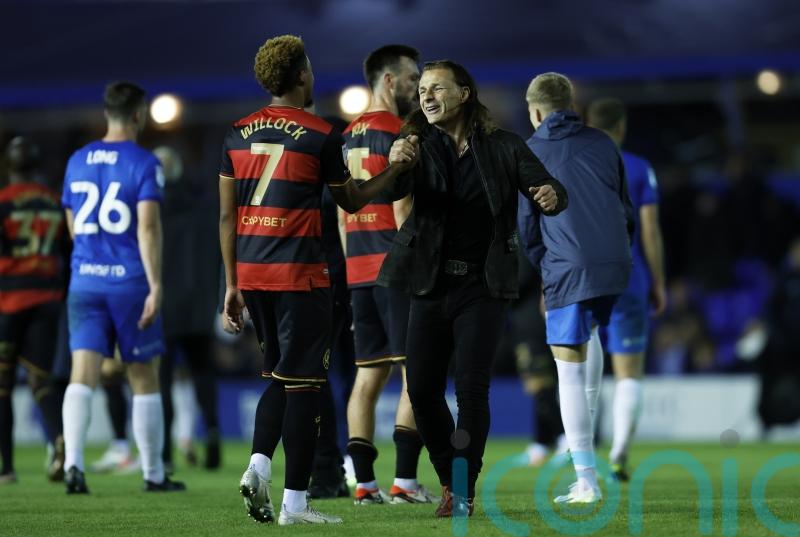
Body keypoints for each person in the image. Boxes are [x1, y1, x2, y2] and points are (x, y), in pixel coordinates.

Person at [220, 35, 410, 526]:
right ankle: (294, 506)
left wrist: (231, 284)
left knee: (280, 377)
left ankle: (259, 465)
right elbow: (352, 200)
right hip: (300, 275)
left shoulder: (235, 133)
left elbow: (225, 218)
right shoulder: (319, 134)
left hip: (252, 272)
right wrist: (396, 169)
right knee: (304, 386)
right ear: (301, 75)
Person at [375, 60, 566, 517]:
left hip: (483, 285)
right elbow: (389, 190)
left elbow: (550, 188)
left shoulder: (504, 146)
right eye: (421, 90)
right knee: (420, 389)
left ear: (464, 94)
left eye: (436, 88)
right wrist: (396, 163)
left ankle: (462, 485)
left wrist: (551, 195)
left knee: (471, 391)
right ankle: (448, 475)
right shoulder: (415, 144)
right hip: (428, 281)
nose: (425, 96)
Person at [60, 81, 184, 494]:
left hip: (85, 281)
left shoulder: (76, 161)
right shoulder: (144, 163)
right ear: (137, 115)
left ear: (106, 113)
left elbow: (74, 226)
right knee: (143, 374)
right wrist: (155, 284)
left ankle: (74, 467)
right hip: (129, 282)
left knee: (83, 372)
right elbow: (147, 227)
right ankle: (153, 473)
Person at [519, 73, 633, 504]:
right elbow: (624, 207)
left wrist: (546, 270)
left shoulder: (531, 151)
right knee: (593, 341)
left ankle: (586, 479)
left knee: (567, 368)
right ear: (572, 105)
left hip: (569, 267)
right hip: (616, 264)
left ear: (535, 113)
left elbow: (528, 227)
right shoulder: (603, 143)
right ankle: (589, 464)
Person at [340, 44, 436, 505]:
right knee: (413, 373)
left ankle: (363, 484)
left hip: (358, 271)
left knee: (366, 376)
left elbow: (343, 214)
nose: (417, 87)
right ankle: (404, 482)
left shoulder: (346, 135)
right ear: (388, 81)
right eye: (411, 78)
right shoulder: (397, 132)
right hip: (394, 270)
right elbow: (401, 205)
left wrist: (350, 267)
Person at [586, 98, 667, 481]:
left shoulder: (577, 165)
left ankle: (579, 454)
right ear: (622, 127)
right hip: (629, 279)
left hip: (583, 279)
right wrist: (658, 281)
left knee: (579, 366)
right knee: (628, 373)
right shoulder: (639, 168)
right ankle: (619, 451)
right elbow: (649, 229)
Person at [0, 136, 69, 483]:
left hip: (7, 303)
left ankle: (6, 468)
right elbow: (68, 252)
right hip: (46, 299)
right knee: (42, 382)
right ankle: (58, 438)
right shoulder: (54, 202)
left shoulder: (3, 202)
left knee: (3, 386)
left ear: (9, 165)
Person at [155, 145, 221, 471]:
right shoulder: (204, 209)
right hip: (199, 307)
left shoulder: (151, 212)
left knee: (162, 380)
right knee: (203, 375)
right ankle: (211, 433)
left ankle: (165, 451)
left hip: (164, 308)